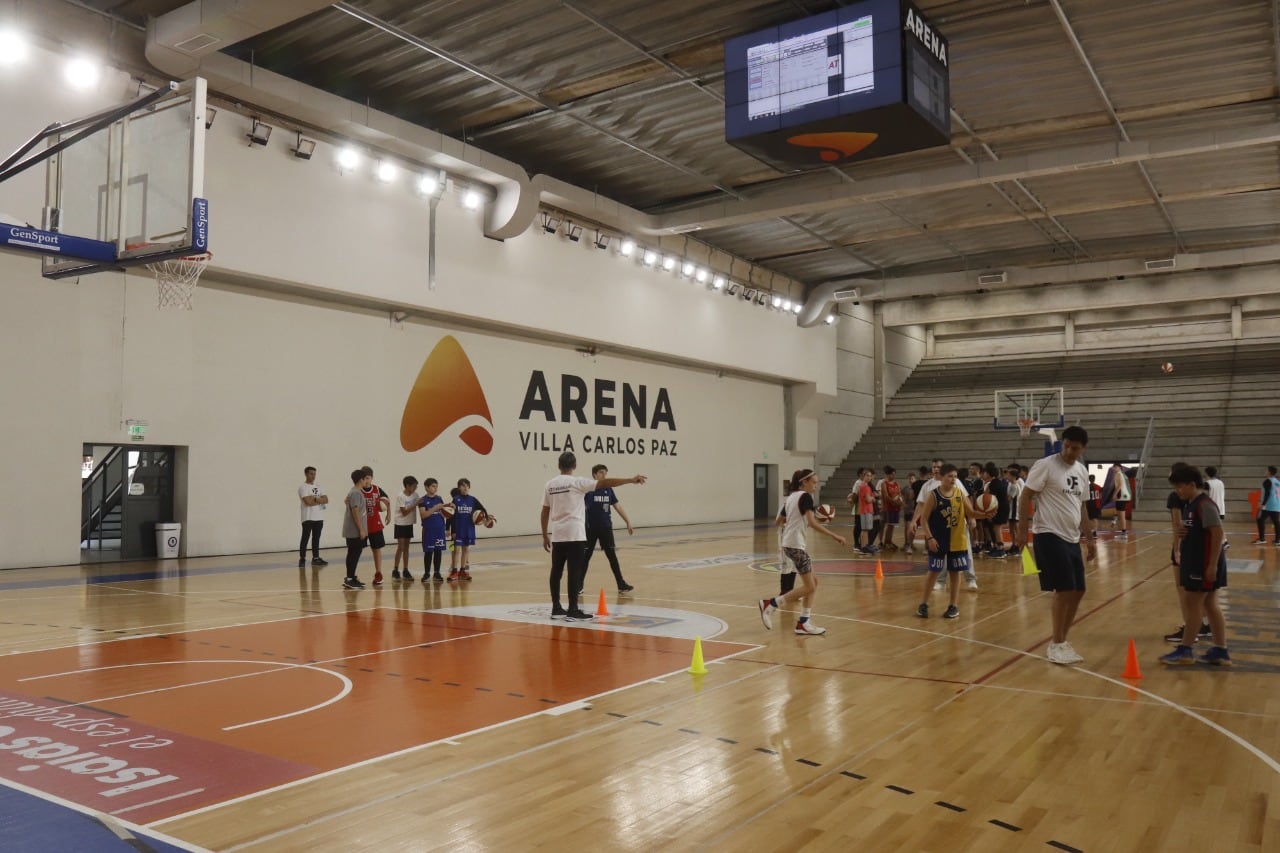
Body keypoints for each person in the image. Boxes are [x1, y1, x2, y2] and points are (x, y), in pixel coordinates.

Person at [1016, 425, 1096, 665]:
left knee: (1079, 589)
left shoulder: (1081, 471)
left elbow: (1082, 506)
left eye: (1075, 448)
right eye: (1067, 446)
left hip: (1072, 537)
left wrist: (1089, 538)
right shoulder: (1046, 465)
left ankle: (1062, 640)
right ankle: (1056, 643)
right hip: (1048, 534)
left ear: (1083, 449)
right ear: (1063, 443)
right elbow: (1025, 496)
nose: (1070, 451)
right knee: (1063, 589)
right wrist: (1022, 532)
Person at [541, 452, 645, 621]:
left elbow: (545, 510)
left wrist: (545, 534)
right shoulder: (578, 482)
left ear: (559, 466)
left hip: (558, 534)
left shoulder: (550, 485)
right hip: (575, 533)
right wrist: (630, 480)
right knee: (574, 571)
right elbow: (605, 483)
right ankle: (573, 610)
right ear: (574, 466)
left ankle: (556, 608)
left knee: (556, 571)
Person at [758, 468, 848, 635]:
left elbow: (779, 521)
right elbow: (812, 523)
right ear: (804, 482)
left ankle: (804, 622)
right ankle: (771, 604)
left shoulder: (791, 498)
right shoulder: (805, 497)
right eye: (813, 482)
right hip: (795, 545)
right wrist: (834, 535)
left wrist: (794, 523)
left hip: (790, 544)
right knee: (809, 586)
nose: (815, 486)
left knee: (814, 582)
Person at [1160, 466, 1231, 666]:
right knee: (1210, 605)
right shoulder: (1191, 504)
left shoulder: (1204, 504)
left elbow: (1217, 534)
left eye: (1180, 487)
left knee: (1194, 606)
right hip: (1199, 563)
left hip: (1203, 565)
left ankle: (1186, 650)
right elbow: (1202, 531)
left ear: (1192, 484)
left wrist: (1212, 566)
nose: (1177, 491)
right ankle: (1220, 650)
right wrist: (1185, 532)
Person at [915, 464, 977, 619]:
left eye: (955, 476)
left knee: (955, 573)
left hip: (957, 540)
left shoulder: (960, 493)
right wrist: (929, 538)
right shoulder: (933, 495)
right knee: (933, 572)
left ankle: (953, 606)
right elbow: (924, 519)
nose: (953, 479)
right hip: (938, 540)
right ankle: (923, 604)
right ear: (941, 477)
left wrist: (986, 514)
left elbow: (971, 513)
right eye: (950, 476)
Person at [1162, 463, 1211, 644]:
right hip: (1199, 546)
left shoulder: (1175, 496)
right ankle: (1204, 625)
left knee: (1184, 592)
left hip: (1185, 546)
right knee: (1203, 594)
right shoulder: (1201, 496)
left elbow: (1177, 524)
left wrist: (1176, 549)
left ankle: (1189, 629)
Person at [584, 464, 637, 594]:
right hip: (590, 528)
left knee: (612, 557)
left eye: (605, 473)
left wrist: (627, 521)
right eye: (601, 472)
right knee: (585, 557)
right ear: (594, 474)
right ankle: (579, 586)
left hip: (606, 528)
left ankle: (621, 584)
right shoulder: (588, 489)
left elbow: (617, 506)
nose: (604, 475)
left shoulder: (608, 489)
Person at [448, 478, 490, 582]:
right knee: (456, 550)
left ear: (469, 487)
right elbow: (451, 516)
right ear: (459, 487)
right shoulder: (455, 499)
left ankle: (462, 570)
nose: (465, 487)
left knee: (466, 550)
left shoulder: (473, 499)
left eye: (467, 485)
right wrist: (451, 530)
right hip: (458, 529)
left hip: (469, 529)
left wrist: (486, 518)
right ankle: (454, 571)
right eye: (463, 485)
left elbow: (483, 509)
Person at [359, 466, 391, 585]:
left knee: (376, 549)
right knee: (357, 550)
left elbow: (387, 501)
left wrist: (388, 514)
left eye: (368, 478)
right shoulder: (358, 490)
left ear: (372, 478)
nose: (366, 481)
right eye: (364, 478)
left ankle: (378, 573)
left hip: (375, 524)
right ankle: (352, 575)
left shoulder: (377, 489)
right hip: (362, 525)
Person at [341, 469, 369, 589]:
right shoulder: (356, 493)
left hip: (354, 530)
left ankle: (350, 576)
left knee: (353, 553)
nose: (367, 481)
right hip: (355, 531)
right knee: (354, 553)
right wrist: (361, 529)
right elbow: (355, 511)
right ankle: (350, 578)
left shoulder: (354, 492)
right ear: (361, 480)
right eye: (366, 478)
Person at [417, 478, 449, 582]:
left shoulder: (439, 498)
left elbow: (443, 512)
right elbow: (423, 515)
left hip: (439, 529)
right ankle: (426, 573)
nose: (435, 488)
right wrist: (435, 508)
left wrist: (450, 507)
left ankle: (437, 573)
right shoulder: (422, 500)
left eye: (436, 486)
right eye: (433, 486)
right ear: (426, 487)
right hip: (429, 530)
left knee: (438, 551)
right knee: (428, 552)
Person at [298, 466, 328, 568]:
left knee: (316, 538)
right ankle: (302, 558)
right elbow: (308, 502)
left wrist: (315, 499)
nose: (313, 476)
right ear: (306, 474)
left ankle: (316, 558)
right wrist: (318, 499)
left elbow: (326, 499)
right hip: (308, 517)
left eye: (314, 474)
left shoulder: (318, 486)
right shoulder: (303, 487)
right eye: (311, 474)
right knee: (305, 537)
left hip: (318, 517)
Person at [392, 475, 420, 582]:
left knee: (407, 548)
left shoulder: (415, 495)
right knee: (401, 547)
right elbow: (404, 512)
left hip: (409, 523)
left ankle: (405, 569)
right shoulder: (401, 496)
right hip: (400, 523)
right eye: (414, 486)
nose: (415, 488)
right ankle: (395, 569)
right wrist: (416, 503)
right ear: (407, 486)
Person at [1251, 465, 1280, 545]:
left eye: (1266, 470)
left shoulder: (1268, 481)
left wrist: (1263, 504)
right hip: (1276, 505)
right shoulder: (1277, 482)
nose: (1265, 472)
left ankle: (1262, 538)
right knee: (1276, 522)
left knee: (1260, 519)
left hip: (1268, 505)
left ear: (1269, 472)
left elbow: (1267, 493)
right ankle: (1278, 540)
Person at [1104, 462, 1131, 538]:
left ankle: (1124, 533)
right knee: (1120, 514)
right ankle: (1117, 524)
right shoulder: (1123, 474)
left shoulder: (1118, 474)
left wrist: (1114, 494)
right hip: (1125, 496)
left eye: (1115, 467)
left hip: (1121, 496)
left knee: (1122, 515)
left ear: (1119, 467)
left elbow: (1119, 485)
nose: (1113, 468)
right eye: (1113, 467)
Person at [878, 466, 902, 551]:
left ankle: (889, 541)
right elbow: (885, 496)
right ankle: (884, 542)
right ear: (888, 475)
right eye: (892, 474)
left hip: (895, 507)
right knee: (886, 525)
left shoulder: (896, 483)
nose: (894, 476)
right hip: (887, 508)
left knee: (892, 525)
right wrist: (894, 502)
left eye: (894, 474)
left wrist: (900, 501)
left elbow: (899, 493)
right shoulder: (884, 483)